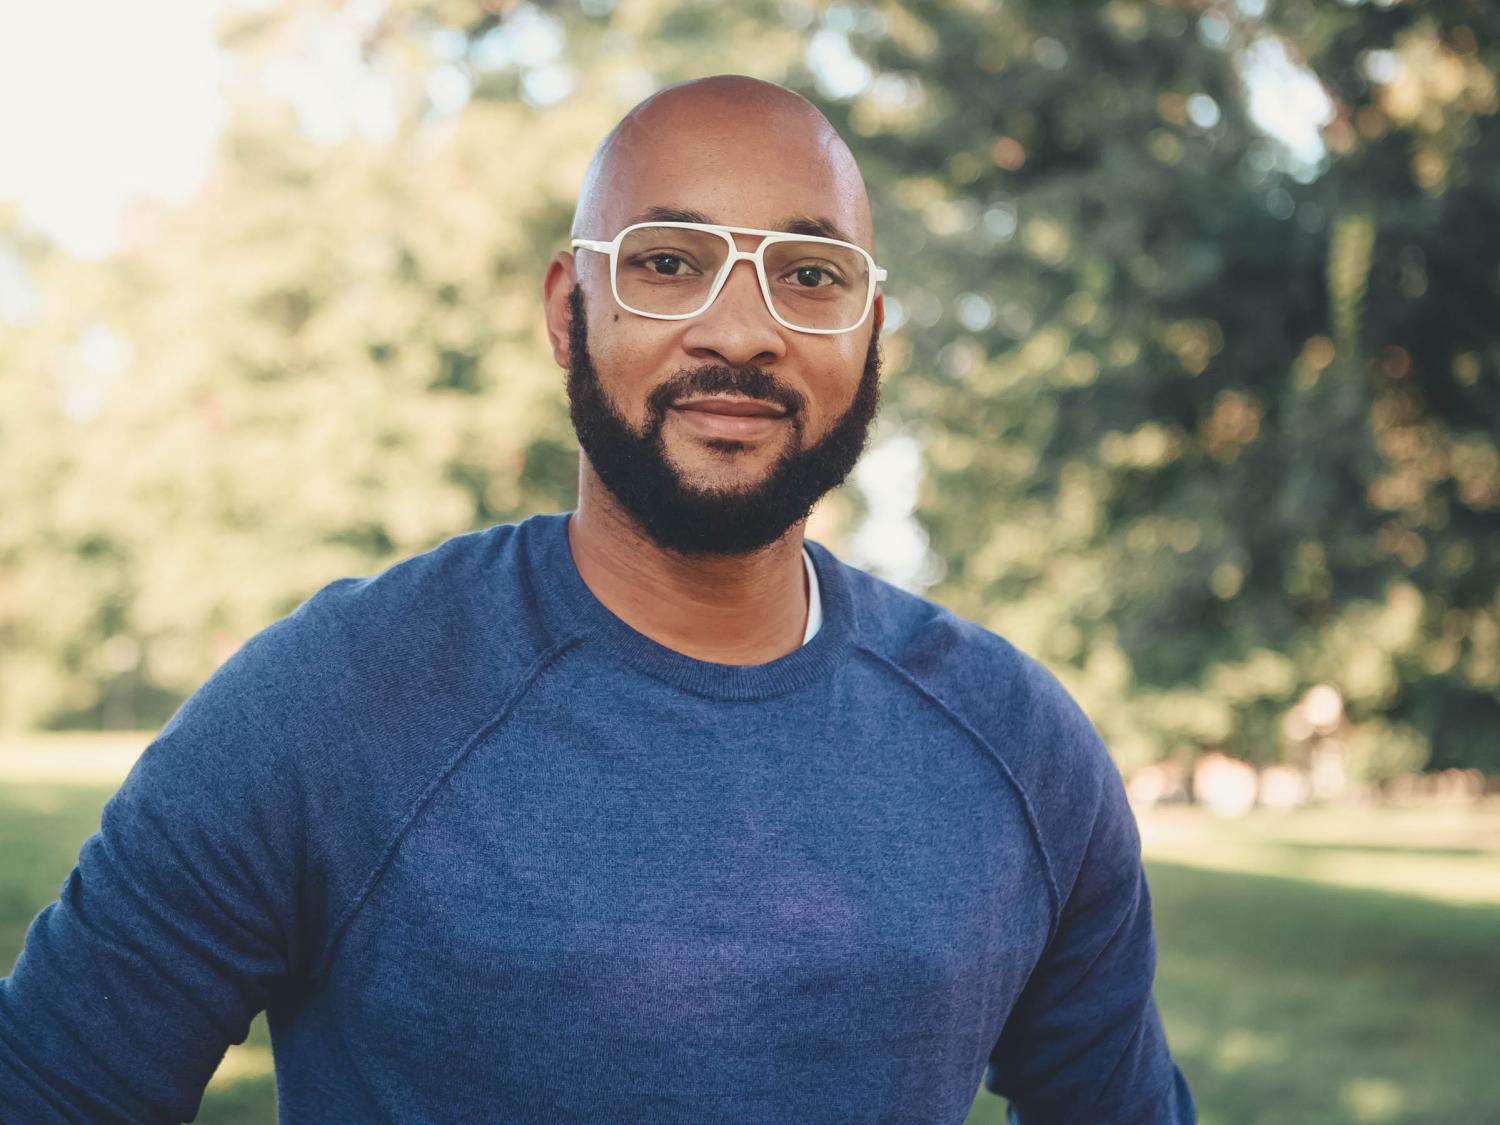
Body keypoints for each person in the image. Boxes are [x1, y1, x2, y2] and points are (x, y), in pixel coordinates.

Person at [0, 75, 1195, 1124]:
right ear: (568, 313)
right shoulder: (334, 705)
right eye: (669, 264)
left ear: (868, 333)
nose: (743, 329)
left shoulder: (1024, 748)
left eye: (809, 274)